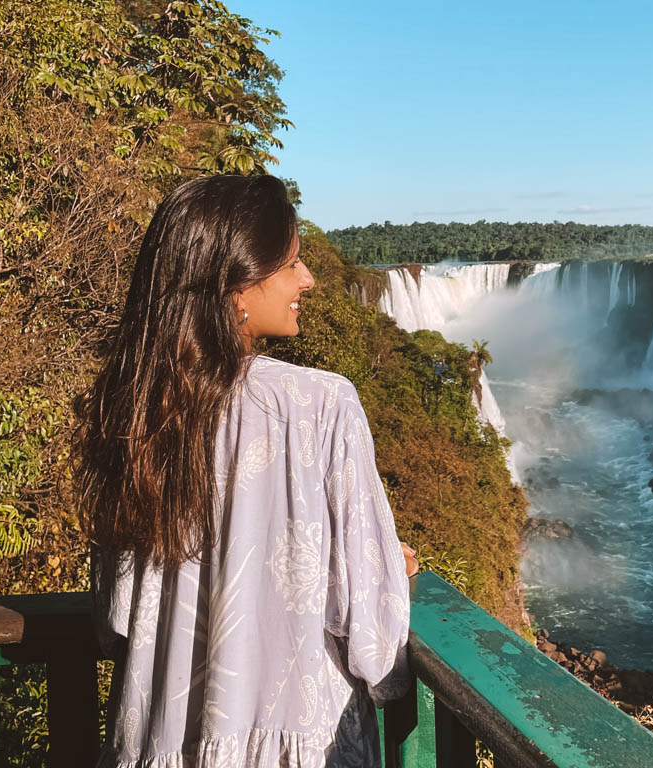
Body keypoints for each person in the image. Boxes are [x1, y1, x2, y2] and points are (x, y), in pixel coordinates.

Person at [74, 174, 416, 768]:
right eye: (290, 265)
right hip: (297, 744)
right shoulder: (321, 404)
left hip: (157, 738)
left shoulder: (134, 406)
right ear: (235, 288)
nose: (307, 279)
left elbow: (116, 615)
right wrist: (391, 571)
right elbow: (373, 639)